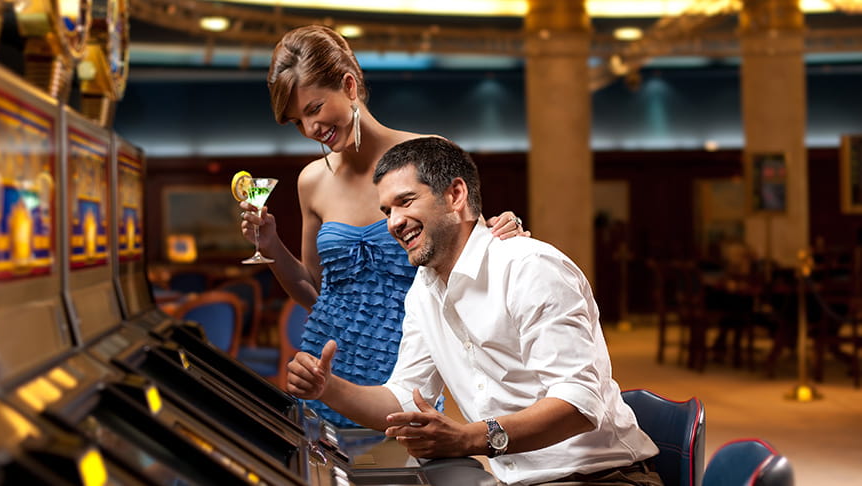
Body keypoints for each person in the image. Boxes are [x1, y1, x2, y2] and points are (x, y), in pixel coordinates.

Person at [287, 137, 661, 485]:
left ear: (455, 194)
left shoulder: (530, 267)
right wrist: (328, 388)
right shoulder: (423, 290)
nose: (393, 223)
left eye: (406, 201)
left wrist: (467, 439)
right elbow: (402, 396)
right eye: (386, 211)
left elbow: (578, 403)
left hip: (604, 477)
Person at [238, 25, 529, 427]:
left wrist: (505, 234)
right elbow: (314, 290)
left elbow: (471, 260)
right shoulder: (311, 181)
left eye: (314, 109)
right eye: (296, 122)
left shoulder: (428, 155)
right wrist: (270, 247)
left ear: (349, 85)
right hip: (324, 368)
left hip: (405, 370)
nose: (309, 130)